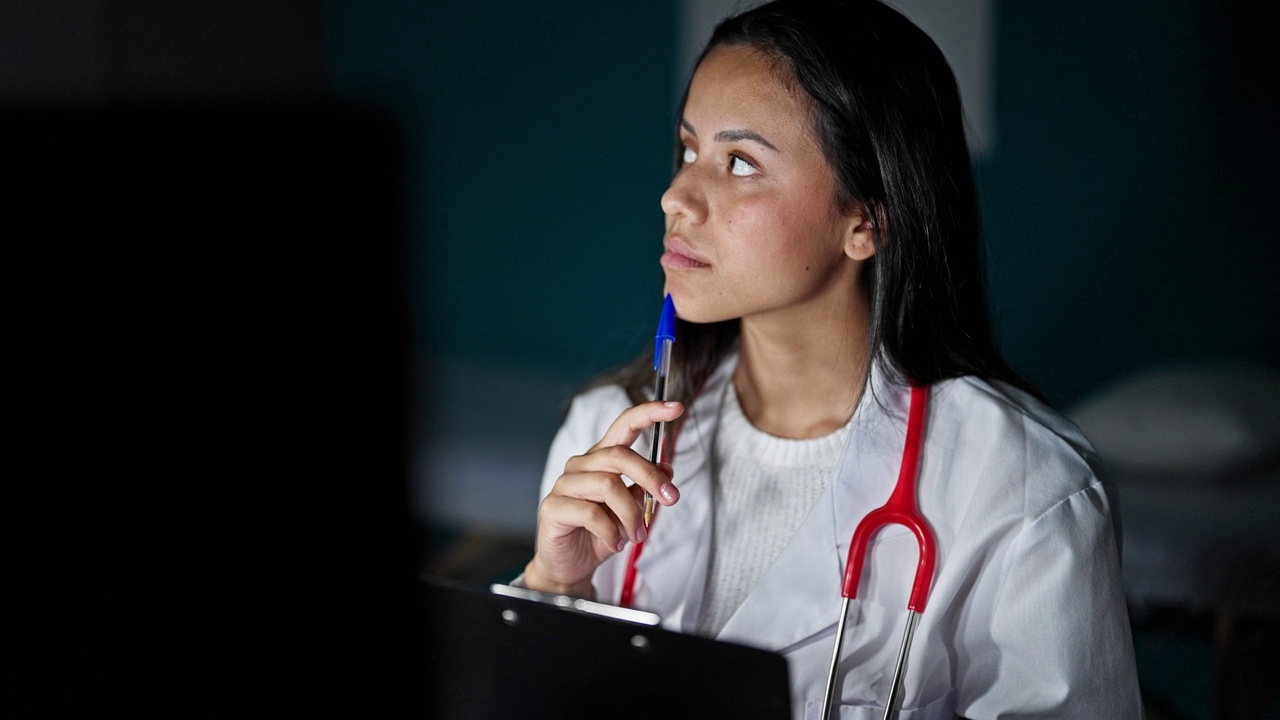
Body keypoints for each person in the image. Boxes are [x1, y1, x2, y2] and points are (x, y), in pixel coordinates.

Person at [521, 1, 1143, 717]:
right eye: (688, 150)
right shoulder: (607, 431)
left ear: (866, 221)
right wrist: (552, 588)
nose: (675, 197)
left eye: (740, 163)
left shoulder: (1026, 489)